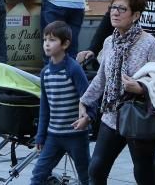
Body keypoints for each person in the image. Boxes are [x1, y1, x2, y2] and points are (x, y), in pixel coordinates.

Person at [79, 0, 155, 185]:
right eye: (113, 8)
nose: (115, 13)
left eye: (121, 9)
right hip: (111, 116)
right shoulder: (110, 41)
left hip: (139, 117)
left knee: (144, 175)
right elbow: (102, 78)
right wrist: (84, 102)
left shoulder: (149, 43)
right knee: (97, 169)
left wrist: (141, 88)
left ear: (135, 15)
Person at [31, 21, 90, 185]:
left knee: (86, 175)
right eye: (45, 40)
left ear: (65, 44)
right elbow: (45, 108)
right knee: (38, 174)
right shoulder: (45, 73)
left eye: (52, 40)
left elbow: (88, 97)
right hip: (54, 136)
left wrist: (88, 118)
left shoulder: (73, 69)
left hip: (76, 136)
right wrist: (40, 136)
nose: (47, 44)